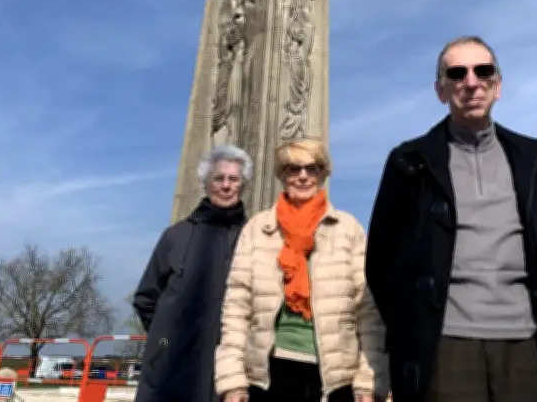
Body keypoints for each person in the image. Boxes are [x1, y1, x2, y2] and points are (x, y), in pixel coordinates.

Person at [365, 36, 537, 402]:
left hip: (526, 343)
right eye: (457, 73)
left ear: (498, 86)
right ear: (441, 90)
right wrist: (412, 327)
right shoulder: (408, 163)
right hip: (446, 346)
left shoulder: (535, 162)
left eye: (483, 71)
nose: (471, 82)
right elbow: (381, 261)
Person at [215, 137, 389, 402]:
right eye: (293, 169)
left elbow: (368, 310)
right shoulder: (257, 229)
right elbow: (236, 308)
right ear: (282, 175)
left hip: (336, 375)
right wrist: (232, 381)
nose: (303, 176)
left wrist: (368, 380)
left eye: (313, 168)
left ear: (323, 173)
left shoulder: (348, 229)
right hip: (270, 372)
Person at [133, 144, 252, 402]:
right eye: (218, 178)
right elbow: (146, 297)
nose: (226, 185)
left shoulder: (254, 238)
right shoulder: (176, 236)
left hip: (229, 370)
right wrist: (166, 339)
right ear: (206, 184)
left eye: (234, 179)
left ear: (243, 185)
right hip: (173, 369)